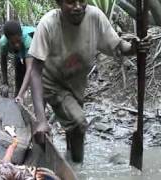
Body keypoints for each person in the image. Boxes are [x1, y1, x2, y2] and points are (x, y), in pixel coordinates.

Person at [16, 0, 151, 163]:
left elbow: (117, 46)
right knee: (79, 122)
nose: (78, 6)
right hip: (52, 83)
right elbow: (35, 72)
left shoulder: (94, 17)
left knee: (72, 127)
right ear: (59, 3)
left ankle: (68, 156)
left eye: (82, 1)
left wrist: (134, 48)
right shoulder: (48, 23)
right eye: (71, 2)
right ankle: (78, 167)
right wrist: (41, 120)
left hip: (77, 83)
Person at [0, 21, 35, 98]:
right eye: (13, 42)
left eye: (18, 41)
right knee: (18, 79)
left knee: (35, 79)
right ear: (8, 40)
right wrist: (5, 83)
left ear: (21, 35)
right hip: (19, 54)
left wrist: (20, 95)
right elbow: (3, 62)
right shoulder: (3, 43)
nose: (17, 45)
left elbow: (30, 69)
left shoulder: (27, 38)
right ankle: (18, 97)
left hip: (36, 51)